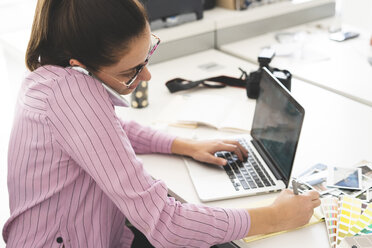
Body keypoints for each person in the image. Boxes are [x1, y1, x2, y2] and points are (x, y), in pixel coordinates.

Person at [2, 0, 320, 247]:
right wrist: (276, 217)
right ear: (81, 65)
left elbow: (108, 131)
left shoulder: (49, 77)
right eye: (132, 71)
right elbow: (166, 224)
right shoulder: (71, 94)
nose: (147, 76)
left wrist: (184, 145)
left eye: (148, 53)